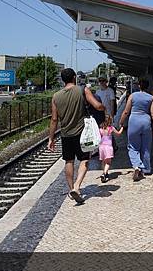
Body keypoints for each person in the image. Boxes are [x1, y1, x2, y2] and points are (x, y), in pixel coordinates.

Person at [48, 68, 105, 204]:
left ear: (62, 80)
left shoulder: (56, 96)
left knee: (69, 161)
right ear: (74, 77)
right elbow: (97, 106)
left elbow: (54, 119)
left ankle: (71, 188)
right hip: (82, 133)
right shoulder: (82, 90)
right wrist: (103, 108)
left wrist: (51, 138)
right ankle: (77, 186)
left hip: (65, 133)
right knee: (85, 159)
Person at [119, 79, 153, 181]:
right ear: (147, 86)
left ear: (139, 86)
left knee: (133, 146)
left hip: (134, 122)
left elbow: (126, 111)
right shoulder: (151, 98)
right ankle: (146, 168)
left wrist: (120, 122)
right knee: (146, 146)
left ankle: (137, 166)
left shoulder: (133, 96)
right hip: (146, 122)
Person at [98, 115, 123, 183]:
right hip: (108, 147)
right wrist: (122, 128)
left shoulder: (100, 129)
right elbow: (118, 133)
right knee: (108, 162)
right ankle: (104, 173)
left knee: (103, 161)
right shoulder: (111, 128)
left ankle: (105, 173)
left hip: (101, 147)